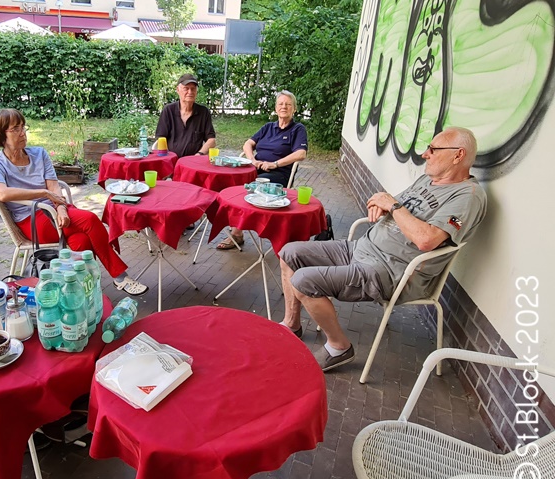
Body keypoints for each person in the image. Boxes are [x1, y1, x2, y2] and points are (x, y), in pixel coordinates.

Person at [278, 127, 487, 372]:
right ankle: (292, 323)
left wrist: (393, 206)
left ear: (458, 155)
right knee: (289, 252)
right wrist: (381, 202)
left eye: (433, 149)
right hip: (361, 247)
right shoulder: (428, 180)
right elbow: (393, 203)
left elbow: (427, 240)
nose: (424, 154)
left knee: (303, 280)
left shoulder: (468, 197)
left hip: (389, 271)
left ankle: (338, 346)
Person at [0, 108, 147, 296]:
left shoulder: (38, 153)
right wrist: (43, 193)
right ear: (0, 134)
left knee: (82, 240)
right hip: (32, 220)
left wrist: (60, 209)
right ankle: (120, 276)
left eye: (23, 127)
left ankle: (85, 290)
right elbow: (1, 193)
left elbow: (54, 186)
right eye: (15, 129)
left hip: (55, 208)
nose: (23, 133)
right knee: (89, 220)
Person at [218, 90, 308, 250]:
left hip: (279, 174)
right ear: (275, 108)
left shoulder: (297, 129)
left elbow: (301, 153)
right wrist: (252, 160)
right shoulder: (268, 127)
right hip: (257, 168)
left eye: (288, 104)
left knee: (251, 186)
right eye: (281, 104)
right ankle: (235, 227)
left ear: (294, 108)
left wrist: (275, 164)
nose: (284, 107)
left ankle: (237, 233)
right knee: (233, 183)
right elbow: (248, 144)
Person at [155, 73, 216, 159]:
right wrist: (169, 158)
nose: (190, 92)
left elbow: (211, 140)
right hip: (171, 161)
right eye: (186, 88)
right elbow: (161, 138)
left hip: (193, 162)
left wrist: (199, 155)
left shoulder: (203, 112)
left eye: (193, 89)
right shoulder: (168, 110)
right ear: (178, 90)